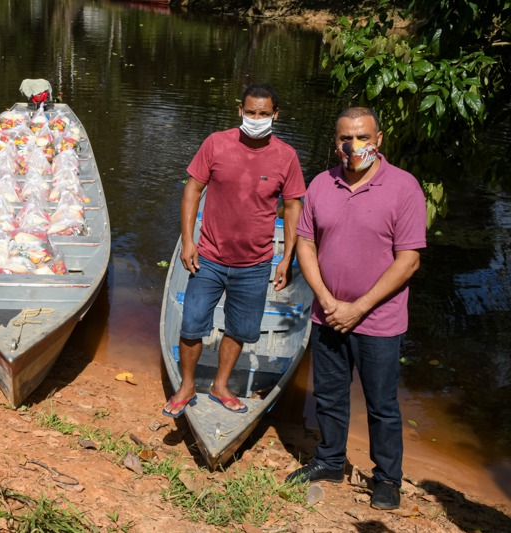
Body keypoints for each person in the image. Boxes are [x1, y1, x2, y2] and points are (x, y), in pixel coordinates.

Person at [286, 107, 427, 511]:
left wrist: (359, 307)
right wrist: (327, 300)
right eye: (346, 138)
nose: (355, 145)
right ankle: (330, 461)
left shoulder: (404, 187)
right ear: (336, 143)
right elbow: (306, 243)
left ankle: (387, 479)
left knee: (382, 405)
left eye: (363, 137)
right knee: (329, 396)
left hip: (379, 320)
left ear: (379, 140)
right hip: (328, 314)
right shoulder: (322, 183)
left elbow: (409, 260)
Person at [162, 83, 306, 418]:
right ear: (240, 111)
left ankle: (220, 385)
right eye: (251, 112)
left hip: (255, 263)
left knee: (239, 330)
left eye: (263, 113)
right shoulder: (216, 143)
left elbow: (293, 207)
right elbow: (193, 190)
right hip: (208, 258)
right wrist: (188, 240)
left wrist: (287, 258)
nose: (256, 119)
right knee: (192, 325)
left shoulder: (286, 156)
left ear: (275, 115)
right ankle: (186, 386)